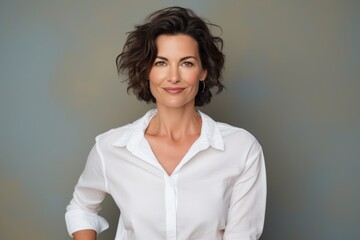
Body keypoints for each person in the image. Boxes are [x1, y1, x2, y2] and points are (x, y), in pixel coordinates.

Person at [65, 6, 266, 240]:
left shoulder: (241, 149)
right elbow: (81, 207)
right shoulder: (111, 148)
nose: (173, 76)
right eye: (161, 63)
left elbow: (242, 235)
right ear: (147, 70)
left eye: (186, 63)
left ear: (203, 71)